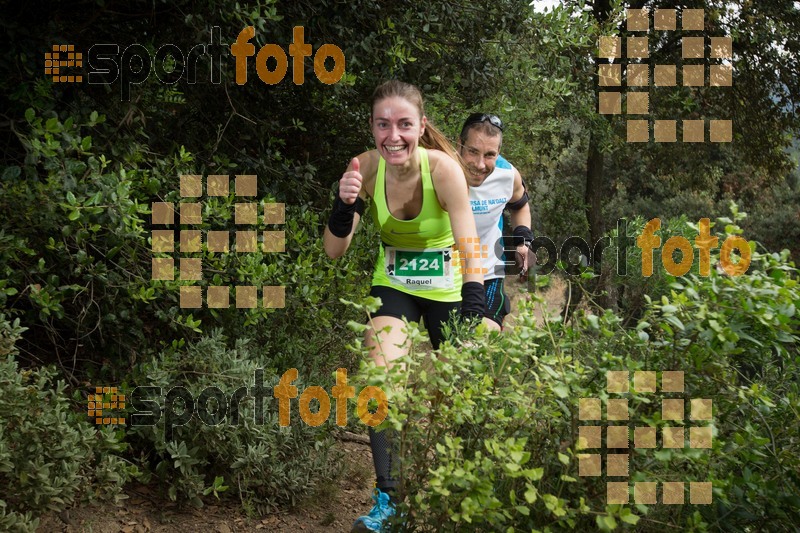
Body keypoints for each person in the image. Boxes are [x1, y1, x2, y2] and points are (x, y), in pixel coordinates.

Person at [323, 80, 486, 533]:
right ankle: (389, 501)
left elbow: (469, 245)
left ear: (421, 126)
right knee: (378, 381)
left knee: (457, 393)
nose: (393, 135)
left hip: (447, 288)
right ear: (373, 128)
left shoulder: (444, 170)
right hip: (393, 283)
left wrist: (472, 308)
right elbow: (334, 251)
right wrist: (345, 204)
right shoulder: (365, 169)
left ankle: (461, 492)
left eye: (403, 124)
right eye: (382, 124)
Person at [458, 113, 534, 331]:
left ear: (499, 152)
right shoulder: (440, 169)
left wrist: (523, 242)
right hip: (443, 274)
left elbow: (520, 206)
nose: (480, 164)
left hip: (487, 272)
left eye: (490, 154)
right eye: (472, 151)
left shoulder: (507, 175)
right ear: (459, 144)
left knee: (483, 338)